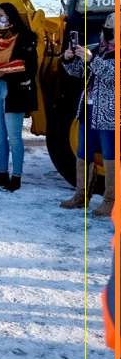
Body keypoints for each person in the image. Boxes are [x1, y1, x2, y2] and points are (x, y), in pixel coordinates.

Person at [0, 3, 38, 192]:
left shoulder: (25, 38)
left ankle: (17, 176)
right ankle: (2, 173)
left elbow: (30, 67)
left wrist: (6, 73)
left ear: (11, 16)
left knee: (14, 137)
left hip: (15, 91)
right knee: (0, 136)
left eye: (2, 15)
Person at [60, 12, 115, 215]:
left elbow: (112, 75)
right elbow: (79, 72)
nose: (107, 30)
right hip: (88, 109)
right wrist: (69, 60)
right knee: (83, 152)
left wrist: (92, 60)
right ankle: (81, 195)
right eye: (107, 26)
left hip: (110, 114)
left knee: (110, 156)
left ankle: (111, 200)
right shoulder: (98, 50)